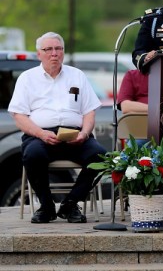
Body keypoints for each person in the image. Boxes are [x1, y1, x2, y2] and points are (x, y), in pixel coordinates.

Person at [8, 32, 107, 224]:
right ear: (39, 54)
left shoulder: (76, 75)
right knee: (32, 155)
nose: (54, 53)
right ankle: (46, 207)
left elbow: (89, 112)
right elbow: (18, 115)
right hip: (40, 135)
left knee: (100, 156)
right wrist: (40, 133)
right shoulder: (27, 78)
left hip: (75, 135)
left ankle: (70, 204)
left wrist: (85, 133)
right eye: (48, 49)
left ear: (63, 52)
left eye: (58, 49)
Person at [116, 69, 149, 146]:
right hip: (140, 132)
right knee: (134, 147)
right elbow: (125, 106)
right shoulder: (133, 75)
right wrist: (158, 109)